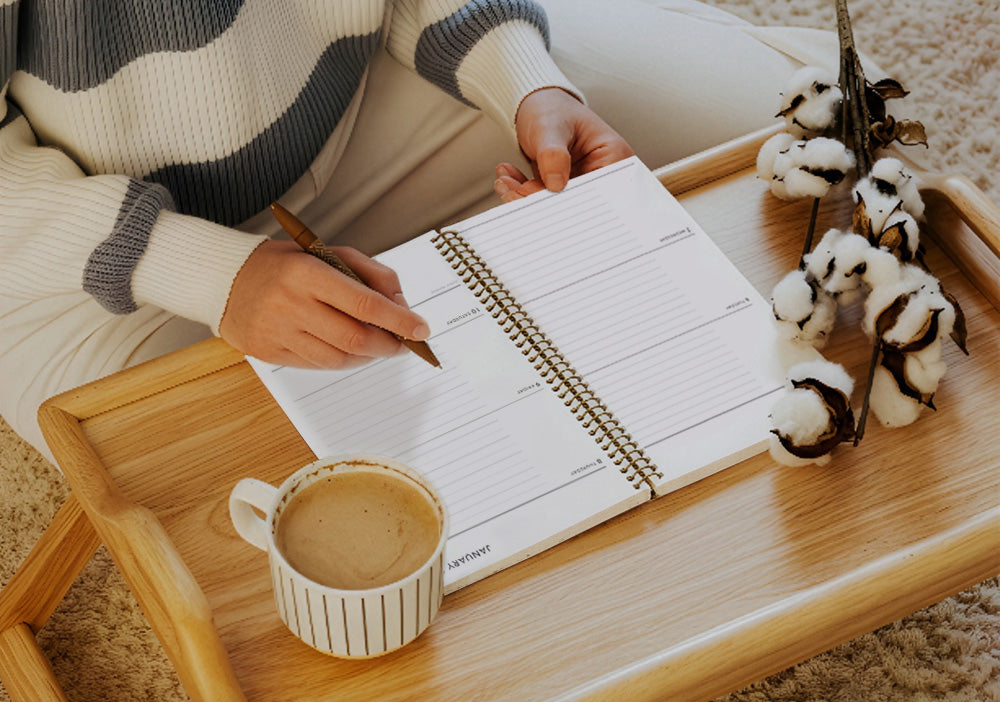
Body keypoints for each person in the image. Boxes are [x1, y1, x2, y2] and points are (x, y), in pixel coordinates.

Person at [0, 0, 849, 464]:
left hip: (362, 96)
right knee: (249, 501)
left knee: (811, 136)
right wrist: (209, 273)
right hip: (89, 258)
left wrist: (524, 83)